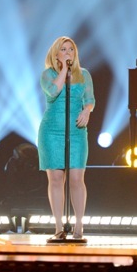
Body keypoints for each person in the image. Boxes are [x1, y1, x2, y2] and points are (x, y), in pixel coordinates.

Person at [37, 36, 95, 242]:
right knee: (55, 179)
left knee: (77, 179)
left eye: (71, 49)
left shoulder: (84, 74)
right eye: (63, 49)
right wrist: (63, 70)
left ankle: (79, 225)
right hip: (51, 132)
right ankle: (58, 227)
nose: (68, 52)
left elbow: (90, 100)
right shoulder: (48, 74)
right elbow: (53, 92)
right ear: (56, 53)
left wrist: (87, 111)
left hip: (76, 132)